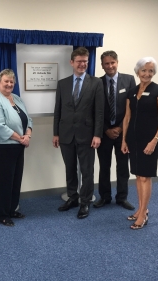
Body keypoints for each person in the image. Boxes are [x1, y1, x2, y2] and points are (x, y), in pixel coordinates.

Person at [53, 47, 104, 219]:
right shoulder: (63, 83)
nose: (82, 64)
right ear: (72, 62)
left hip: (87, 135)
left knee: (87, 170)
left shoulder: (96, 83)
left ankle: (85, 202)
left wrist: (97, 134)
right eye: (79, 61)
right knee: (70, 169)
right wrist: (56, 133)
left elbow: (99, 112)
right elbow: (57, 110)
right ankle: (72, 197)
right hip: (66, 134)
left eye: (85, 62)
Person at [121, 57, 158, 230]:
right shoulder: (132, 91)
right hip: (133, 139)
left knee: (145, 176)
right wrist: (124, 140)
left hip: (150, 139)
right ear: (138, 71)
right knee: (138, 175)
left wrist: (154, 141)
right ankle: (141, 208)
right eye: (144, 70)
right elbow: (127, 117)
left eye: (151, 71)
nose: (147, 74)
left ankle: (143, 213)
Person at [0, 69, 32, 226]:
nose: (9, 84)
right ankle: (2, 214)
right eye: (6, 81)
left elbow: (29, 119)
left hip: (18, 146)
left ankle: (12, 209)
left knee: (15, 180)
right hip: (1, 147)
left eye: (12, 81)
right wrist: (21, 138)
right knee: (3, 181)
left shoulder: (17, 99)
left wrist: (28, 135)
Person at [94, 50, 136, 210]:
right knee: (104, 167)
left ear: (117, 62)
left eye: (112, 62)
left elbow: (132, 108)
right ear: (102, 65)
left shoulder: (129, 80)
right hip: (104, 133)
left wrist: (119, 128)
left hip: (123, 133)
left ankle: (122, 198)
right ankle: (104, 197)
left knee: (123, 166)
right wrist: (105, 130)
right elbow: (95, 110)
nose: (110, 66)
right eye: (106, 63)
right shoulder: (97, 83)